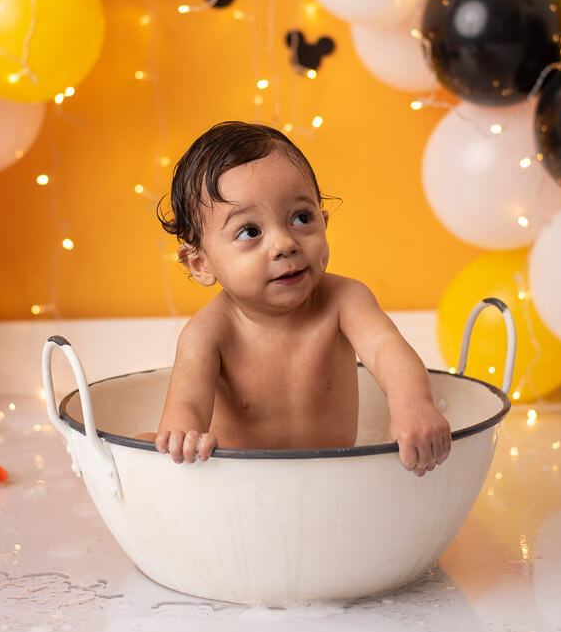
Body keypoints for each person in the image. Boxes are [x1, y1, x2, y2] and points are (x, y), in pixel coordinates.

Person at [152, 121, 451, 476]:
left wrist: (412, 405)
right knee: (152, 447)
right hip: (237, 482)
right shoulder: (207, 332)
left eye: (300, 218)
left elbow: (387, 351)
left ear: (323, 223)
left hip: (333, 476)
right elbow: (186, 405)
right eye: (250, 231)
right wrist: (184, 438)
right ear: (201, 264)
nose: (284, 243)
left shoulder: (345, 300)